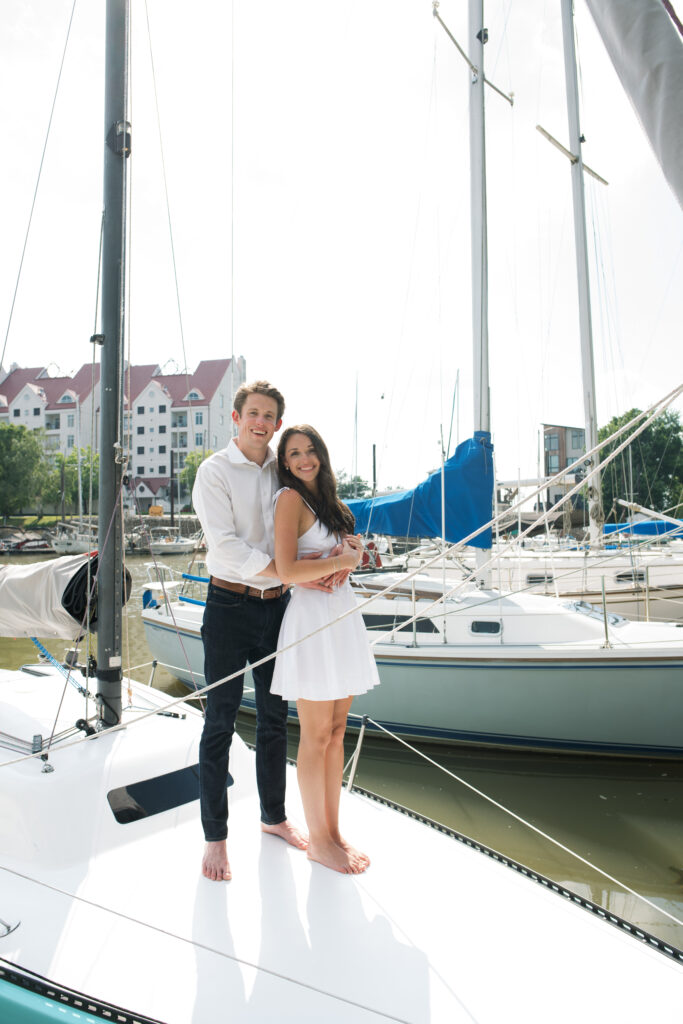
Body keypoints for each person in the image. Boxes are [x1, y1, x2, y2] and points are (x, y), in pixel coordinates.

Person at [193, 381, 317, 882]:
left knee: (273, 719)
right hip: (227, 605)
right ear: (236, 417)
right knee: (220, 721)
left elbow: (304, 528)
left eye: (270, 416)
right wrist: (286, 570)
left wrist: (327, 558)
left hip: (278, 608)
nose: (261, 422)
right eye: (254, 414)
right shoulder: (214, 472)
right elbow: (225, 550)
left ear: (277, 423)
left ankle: (274, 818)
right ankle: (215, 838)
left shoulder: (282, 471)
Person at [271, 425, 380, 875]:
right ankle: (317, 840)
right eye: (294, 453)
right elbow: (284, 569)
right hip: (313, 622)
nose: (303, 459)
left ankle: (333, 833)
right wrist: (343, 560)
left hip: (342, 617)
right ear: (285, 462)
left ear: (321, 455)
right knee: (315, 737)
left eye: (310, 450)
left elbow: (342, 560)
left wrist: (352, 550)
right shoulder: (289, 500)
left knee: (337, 732)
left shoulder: (332, 503)